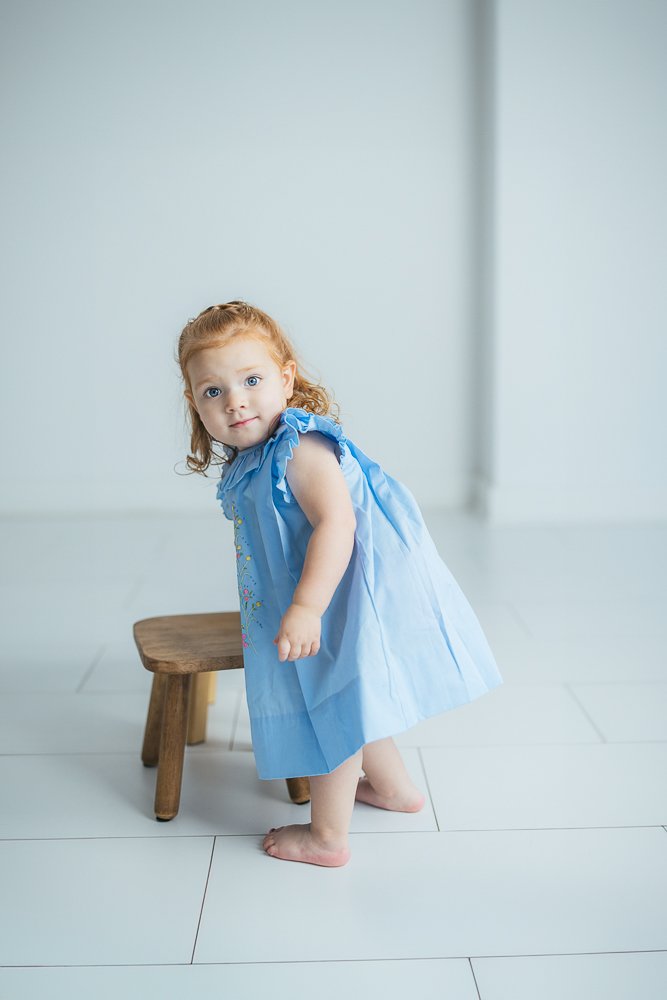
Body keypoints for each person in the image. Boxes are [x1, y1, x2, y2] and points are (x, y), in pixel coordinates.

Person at [177, 300, 503, 868]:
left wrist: (306, 606)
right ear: (195, 403)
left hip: (342, 592)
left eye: (251, 380)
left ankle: (328, 838)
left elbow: (338, 522)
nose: (235, 401)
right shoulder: (256, 456)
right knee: (352, 694)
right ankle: (396, 790)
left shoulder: (300, 447)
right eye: (213, 391)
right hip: (327, 591)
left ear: (286, 377)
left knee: (331, 702)